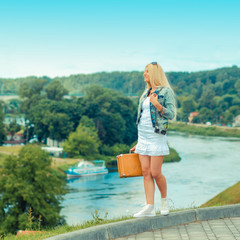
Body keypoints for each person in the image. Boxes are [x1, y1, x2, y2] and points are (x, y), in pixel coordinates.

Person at [130, 62, 176, 218]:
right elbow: (143, 118)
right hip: (143, 138)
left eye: (147, 71)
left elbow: (171, 115)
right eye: (144, 71)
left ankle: (164, 201)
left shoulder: (166, 92)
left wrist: (157, 105)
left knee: (156, 173)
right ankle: (149, 206)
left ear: (155, 74)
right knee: (146, 172)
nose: (144, 74)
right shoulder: (146, 93)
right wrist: (139, 143)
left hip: (157, 137)